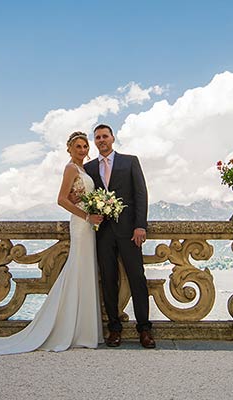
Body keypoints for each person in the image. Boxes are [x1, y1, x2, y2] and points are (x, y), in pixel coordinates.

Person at [0, 131, 104, 355]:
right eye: (78, 146)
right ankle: (68, 328)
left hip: (89, 224)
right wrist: (87, 216)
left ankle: (84, 330)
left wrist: (90, 205)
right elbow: (61, 199)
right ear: (69, 149)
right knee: (77, 270)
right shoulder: (70, 168)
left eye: (84, 146)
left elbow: (75, 196)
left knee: (85, 271)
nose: (82, 150)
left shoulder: (84, 169)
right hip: (82, 224)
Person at [83, 124, 155, 349]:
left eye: (105, 136)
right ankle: (114, 329)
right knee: (108, 280)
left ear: (113, 138)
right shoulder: (89, 168)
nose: (101, 140)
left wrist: (140, 226)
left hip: (129, 232)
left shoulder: (130, 161)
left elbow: (141, 193)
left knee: (137, 279)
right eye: (97, 138)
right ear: (94, 142)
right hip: (102, 233)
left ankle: (144, 329)